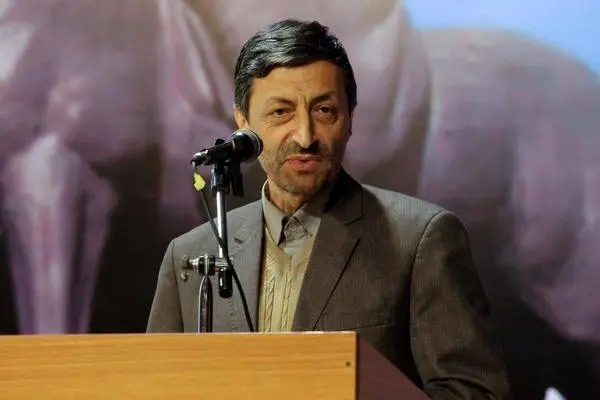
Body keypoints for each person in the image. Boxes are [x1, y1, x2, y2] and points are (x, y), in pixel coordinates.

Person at [147, 18, 512, 399]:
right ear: (243, 122)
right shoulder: (188, 256)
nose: (305, 136)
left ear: (350, 118)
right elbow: (148, 386)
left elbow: (476, 393)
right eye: (281, 112)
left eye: (324, 111)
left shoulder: (421, 240)